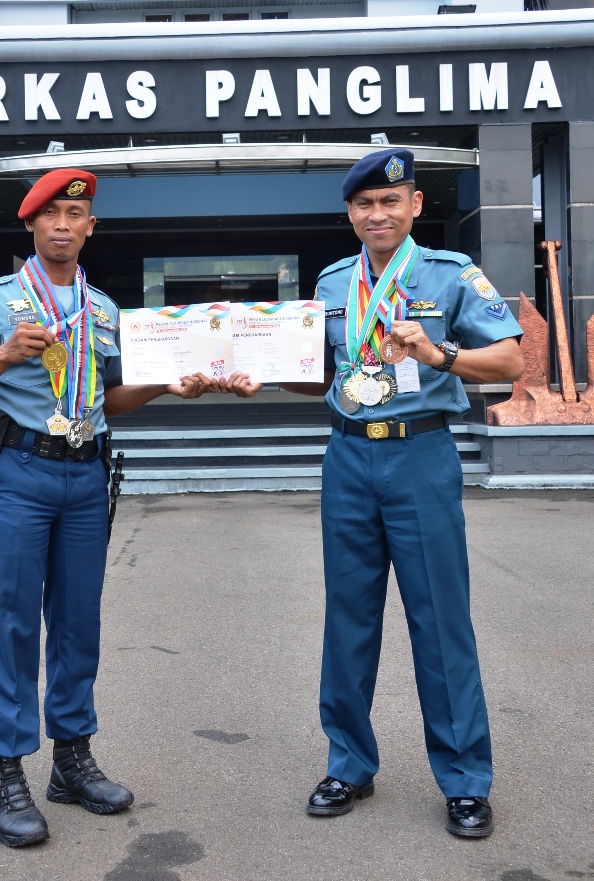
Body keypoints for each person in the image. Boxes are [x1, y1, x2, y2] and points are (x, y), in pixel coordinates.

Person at [221, 148, 524, 837]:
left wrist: (438, 353)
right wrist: (259, 373)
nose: (377, 213)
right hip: (349, 458)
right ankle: (349, 763)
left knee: (440, 621)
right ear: (351, 214)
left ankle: (465, 779)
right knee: (348, 619)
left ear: (414, 206)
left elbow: (510, 357)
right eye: (364, 204)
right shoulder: (332, 282)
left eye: (391, 201)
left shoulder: (449, 275)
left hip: (419, 455)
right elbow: (314, 373)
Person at [0, 168, 216, 848]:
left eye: (76, 213)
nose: (63, 224)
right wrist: (4, 354)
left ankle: (71, 760)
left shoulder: (104, 311)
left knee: (77, 624)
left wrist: (162, 389)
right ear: (31, 224)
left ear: (92, 226)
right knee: (10, 624)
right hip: (22, 472)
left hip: (86, 475)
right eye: (51, 213)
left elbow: (108, 398)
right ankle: (7, 772)